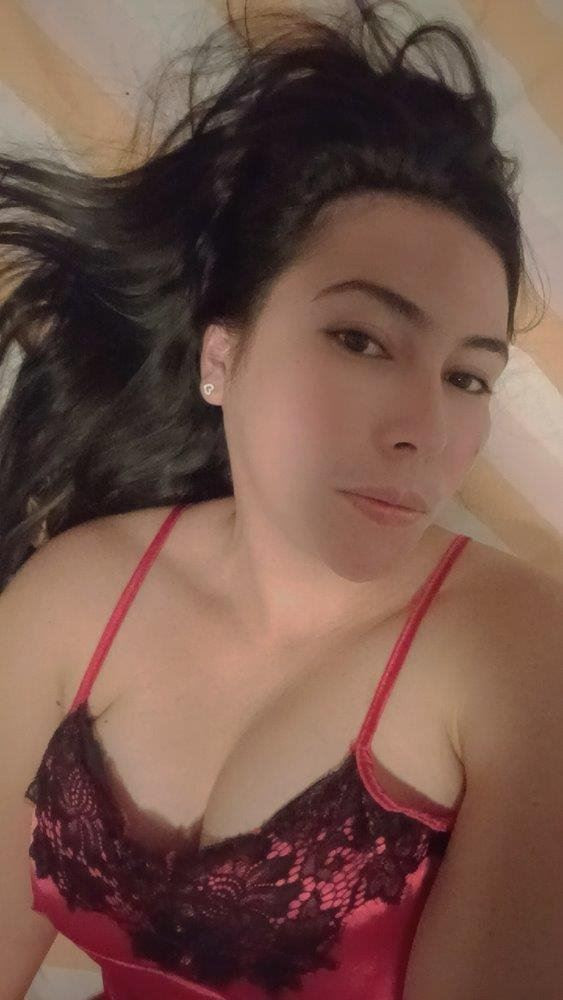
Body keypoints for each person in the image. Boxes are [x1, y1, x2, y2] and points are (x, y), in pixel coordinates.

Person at [0, 2, 561, 998]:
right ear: (222, 355)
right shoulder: (74, 594)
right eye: (360, 340)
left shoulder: (513, 652)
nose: (423, 429)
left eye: (466, 377)